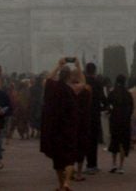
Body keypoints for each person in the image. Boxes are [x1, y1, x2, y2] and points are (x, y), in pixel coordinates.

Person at [39, 59, 85, 191]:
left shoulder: (52, 87)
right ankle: (66, 183)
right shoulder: (71, 89)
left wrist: (58, 66)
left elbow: (47, 79)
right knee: (70, 158)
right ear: (69, 77)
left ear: (60, 75)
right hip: (68, 128)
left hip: (54, 129)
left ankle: (60, 185)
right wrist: (79, 67)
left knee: (58, 160)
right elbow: (83, 83)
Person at [106, 73, 133, 174]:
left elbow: (107, 105)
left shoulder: (112, 93)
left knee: (114, 141)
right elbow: (131, 108)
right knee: (123, 143)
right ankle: (121, 166)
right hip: (125, 121)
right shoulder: (128, 94)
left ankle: (114, 164)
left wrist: (111, 112)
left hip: (114, 120)